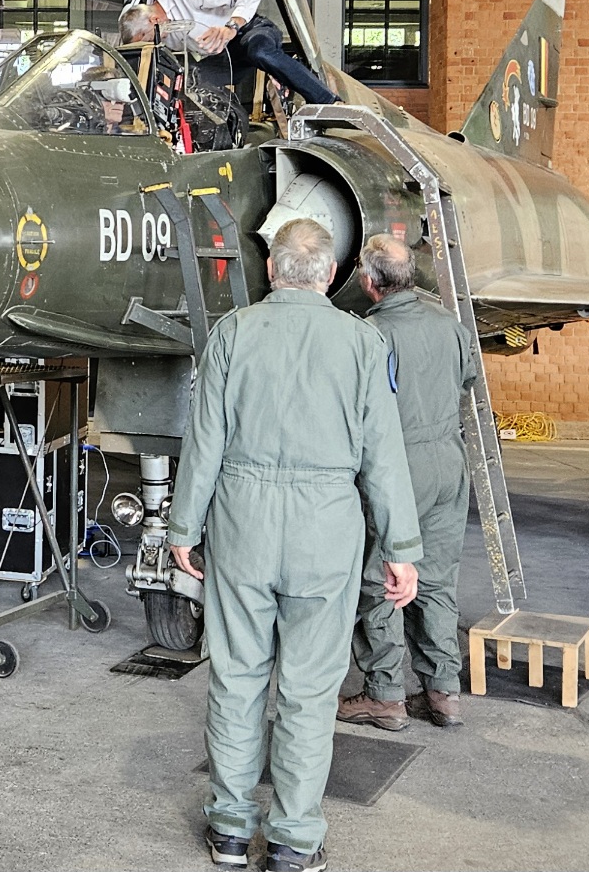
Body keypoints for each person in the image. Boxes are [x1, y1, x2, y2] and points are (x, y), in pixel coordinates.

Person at [169, 220, 420, 872]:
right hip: (324, 530)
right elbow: (384, 455)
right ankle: (293, 840)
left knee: (236, 677)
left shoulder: (233, 333)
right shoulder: (362, 342)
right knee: (310, 690)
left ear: (271, 269)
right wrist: (401, 547)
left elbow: (205, 439)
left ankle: (230, 831)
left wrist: (184, 527)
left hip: (243, 524)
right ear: (331, 274)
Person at [340, 234, 480, 731]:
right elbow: (467, 381)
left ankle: (384, 695)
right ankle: (443, 692)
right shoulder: (450, 325)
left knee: (380, 579)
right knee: (436, 579)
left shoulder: (371, 334)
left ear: (368, 281)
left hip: (398, 467)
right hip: (449, 461)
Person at [120, 0, 338, 106]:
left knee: (259, 51)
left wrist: (231, 27)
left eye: (149, 39)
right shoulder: (165, 33)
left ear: (154, 21)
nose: (156, 43)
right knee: (190, 81)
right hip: (226, 55)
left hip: (250, 30)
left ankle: (329, 101)